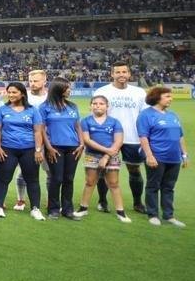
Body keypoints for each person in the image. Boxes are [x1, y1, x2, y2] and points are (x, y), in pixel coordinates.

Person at [94, 62, 149, 214]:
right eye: (118, 72)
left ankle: (138, 203)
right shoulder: (102, 91)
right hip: (108, 138)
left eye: (124, 72)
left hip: (132, 137)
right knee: (103, 169)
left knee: (134, 169)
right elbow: (97, 114)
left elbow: (144, 117)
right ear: (112, 74)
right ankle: (102, 201)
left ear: (129, 74)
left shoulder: (139, 92)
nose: (121, 75)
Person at [0, 81, 45, 220]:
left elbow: (38, 131)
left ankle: (35, 208)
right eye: (9, 92)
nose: (11, 95)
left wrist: (38, 150)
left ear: (22, 94)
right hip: (8, 149)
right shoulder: (2, 110)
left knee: (32, 180)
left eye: (14, 92)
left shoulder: (32, 110)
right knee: (3, 179)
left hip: (29, 149)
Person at [137, 86, 188, 227]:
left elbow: (180, 136)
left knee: (169, 187)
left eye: (170, 96)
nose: (170, 99)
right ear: (157, 97)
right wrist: (149, 156)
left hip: (174, 158)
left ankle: (169, 215)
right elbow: (143, 137)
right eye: (167, 96)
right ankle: (153, 214)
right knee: (153, 186)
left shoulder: (173, 115)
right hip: (157, 156)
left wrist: (184, 154)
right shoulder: (145, 115)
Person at [76, 95, 129, 222]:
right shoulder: (86, 121)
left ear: (107, 106)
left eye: (101, 104)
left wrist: (106, 156)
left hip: (111, 156)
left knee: (114, 184)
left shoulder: (115, 122)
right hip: (92, 156)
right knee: (90, 182)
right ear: (91, 106)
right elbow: (87, 140)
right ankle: (83, 209)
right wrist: (106, 151)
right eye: (95, 103)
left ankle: (121, 212)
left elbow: (118, 141)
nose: (98, 106)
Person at [40, 78, 82, 219]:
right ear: (58, 89)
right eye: (67, 88)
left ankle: (68, 210)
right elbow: (42, 129)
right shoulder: (45, 107)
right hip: (55, 147)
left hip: (73, 147)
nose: (70, 90)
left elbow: (77, 126)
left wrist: (81, 144)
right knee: (56, 178)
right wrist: (49, 147)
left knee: (69, 179)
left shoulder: (73, 106)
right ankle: (53, 209)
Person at [13, 69, 50, 211]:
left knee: (49, 171)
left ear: (44, 81)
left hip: (47, 140)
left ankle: (49, 201)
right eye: (30, 81)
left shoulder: (49, 98)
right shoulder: (24, 97)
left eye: (36, 81)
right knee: (23, 171)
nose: (33, 84)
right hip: (27, 140)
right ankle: (21, 200)